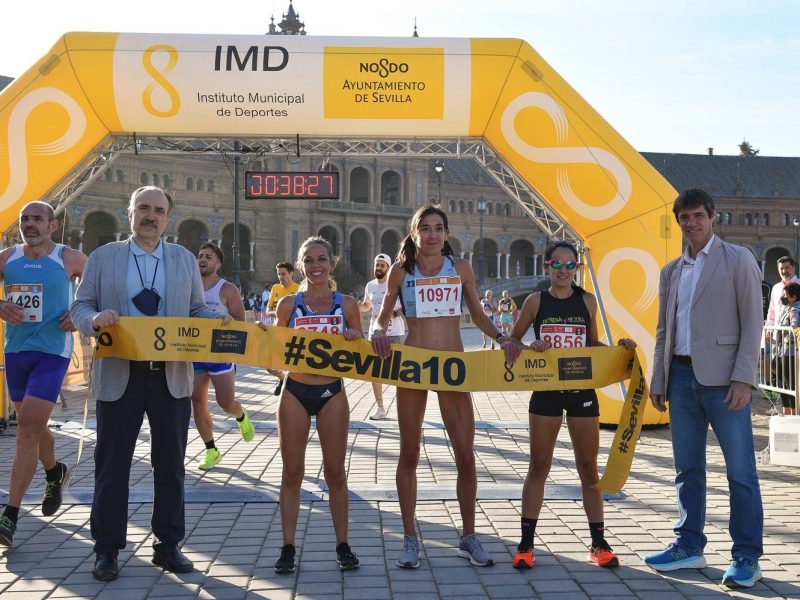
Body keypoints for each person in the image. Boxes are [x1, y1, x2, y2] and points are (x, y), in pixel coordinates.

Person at [70, 186, 228, 582]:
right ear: (130, 213)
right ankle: (107, 549)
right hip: (119, 375)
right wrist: (93, 319)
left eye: (158, 210)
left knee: (171, 466)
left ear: (167, 218)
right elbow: (79, 305)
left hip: (171, 375)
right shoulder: (105, 257)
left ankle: (168, 545)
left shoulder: (183, 259)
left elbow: (194, 309)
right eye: (143, 208)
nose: (151, 216)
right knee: (111, 467)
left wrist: (214, 319)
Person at [371, 204, 508, 569]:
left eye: (438, 228)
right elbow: (383, 319)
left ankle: (468, 536)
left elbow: (477, 314)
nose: (432, 234)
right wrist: (377, 332)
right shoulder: (400, 272)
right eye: (425, 228)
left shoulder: (460, 268)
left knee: (465, 455)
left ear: (446, 233)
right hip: (415, 367)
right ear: (414, 234)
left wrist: (503, 337)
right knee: (410, 454)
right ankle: (410, 538)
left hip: (452, 367)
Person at [645, 188, 763, 588]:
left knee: (741, 472)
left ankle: (746, 555)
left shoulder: (738, 259)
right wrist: (658, 379)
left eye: (698, 216)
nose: (691, 223)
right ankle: (688, 544)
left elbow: (753, 322)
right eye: (684, 218)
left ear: (713, 218)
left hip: (725, 381)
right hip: (679, 378)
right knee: (687, 469)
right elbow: (665, 330)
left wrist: (744, 378)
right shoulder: (671, 271)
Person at [501, 241, 635, 570]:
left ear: (577, 268)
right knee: (538, 466)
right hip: (546, 390)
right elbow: (512, 340)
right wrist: (529, 344)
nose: (562, 270)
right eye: (556, 264)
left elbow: (591, 344)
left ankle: (599, 543)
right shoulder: (535, 301)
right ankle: (526, 544)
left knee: (588, 468)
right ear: (547, 266)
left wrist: (619, 350)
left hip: (581, 391)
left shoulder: (586, 301)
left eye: (569, 265)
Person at [265, 236, 362, 574]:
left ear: (331, 264)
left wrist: (354, 340)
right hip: (294, 391)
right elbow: (272, 354)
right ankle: (288, 546)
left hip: (332, 393)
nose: (315, 266)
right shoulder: (288, 305)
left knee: (335, 472)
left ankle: (343, 545)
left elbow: (360, 355)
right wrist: (281, 369)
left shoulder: (347, 304)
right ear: (301, 264)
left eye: (322, 259)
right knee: (292, 472)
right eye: (309, 260)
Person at [0, 201, 87, 547]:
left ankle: (10, 514)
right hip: (16, 352)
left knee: (25, 430)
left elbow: (100, 292)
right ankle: (55, 471)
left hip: (52, 353)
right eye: (25, 219)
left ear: (53, 224)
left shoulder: (71, 259)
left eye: (38, 219)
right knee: (32, 425)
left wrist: (78, 310)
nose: (30, 224)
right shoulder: (7, 258)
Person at [192, 243, 252, 470]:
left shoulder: (227, 289)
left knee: (225, 402)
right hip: (195, 350)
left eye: (208, 256)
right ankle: (211, 450)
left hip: (220, 350)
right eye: (200, 256)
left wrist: (227, 321)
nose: (202, 259)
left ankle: (240, 414)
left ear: (218, 264)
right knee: (197, 401)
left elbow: (241, 322)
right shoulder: (189, 286)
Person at [358, 253, 405, 420]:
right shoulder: (370, 286)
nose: (378, 268)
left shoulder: (395, 284)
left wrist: (391, 314)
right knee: (375, 372)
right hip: (375, 333)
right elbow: (366, 305)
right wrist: (355, 306)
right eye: (376, 265)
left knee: (400, 372)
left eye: (382, 265)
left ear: (388, 267)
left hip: (395, 332)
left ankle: (404, 408)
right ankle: (380, 408)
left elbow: (405, 307)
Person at [265, 262, 300, 395]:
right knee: (268, 365)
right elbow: (268, 310)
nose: (281, 277)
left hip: (293, 333)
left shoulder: (300, 289)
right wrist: (279, 313)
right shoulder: (275, 288)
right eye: (279, 274)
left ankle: (294, 390)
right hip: (277, 331)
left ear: (291, 274)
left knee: (293, 365)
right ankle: (283, 378)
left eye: (283, 274)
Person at [775, 282, 800, 414]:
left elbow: (794, 327)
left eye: (785, 295)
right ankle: (787, 414)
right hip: (784, 351)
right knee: (783, 383)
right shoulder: (790, 308)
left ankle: (793, 416)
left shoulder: (795, 309)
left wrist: (786, 334)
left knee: (788, 384)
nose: (783, 297)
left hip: (789, 352)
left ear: (793, 297)